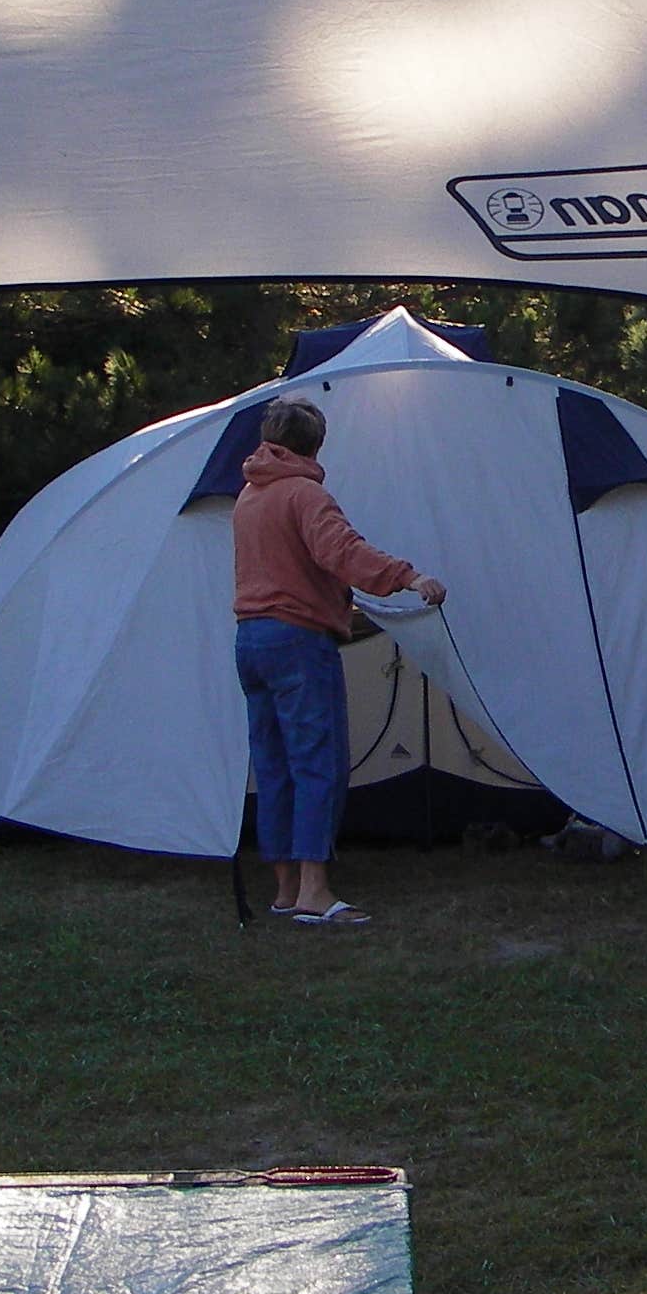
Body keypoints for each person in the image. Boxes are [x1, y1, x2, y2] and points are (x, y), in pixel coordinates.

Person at [232, 394, 445, 927]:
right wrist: (408, 577)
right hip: (298, 641)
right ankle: (315, 892)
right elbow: (341, 551)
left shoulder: (248, 497)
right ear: (314, 445)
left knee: (274, 764)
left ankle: (283, 888)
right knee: (317, 763)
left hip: (250, 640)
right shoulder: (304, 495)